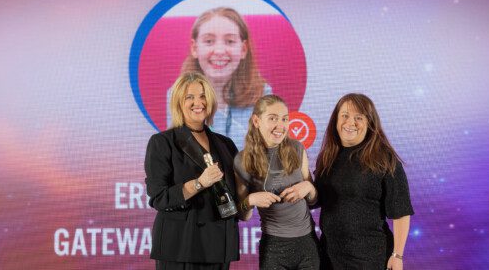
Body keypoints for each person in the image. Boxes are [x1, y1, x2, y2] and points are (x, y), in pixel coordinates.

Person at [145, 72, 239, 270]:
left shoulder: (226, 144)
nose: (199, 102)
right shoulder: (162, 142)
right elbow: (159, 197)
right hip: (181, 245)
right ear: (179, 102)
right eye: (190, 97)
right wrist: (199, 183)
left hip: (219, 245)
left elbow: (236, 193)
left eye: (203, 96)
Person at [314, 93, 414, 270]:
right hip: (329, 256)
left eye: (358, 117)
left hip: (370, 258)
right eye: (344, 116)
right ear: (335, 121)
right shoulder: (327, 157)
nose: (350, 123)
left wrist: (397, 255)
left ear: (369, 123)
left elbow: (401, 212)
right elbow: (317, 200)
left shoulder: (385, 160)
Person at [233, 94, 320, 269]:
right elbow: (242, 214)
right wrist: (250, 201)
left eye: (284, 119)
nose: (280, 126)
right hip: (273, 246)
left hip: (307, 243)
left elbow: (313, 201)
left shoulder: (297, 148)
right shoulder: (242, 160)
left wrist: (309, 187)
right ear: (256, 121)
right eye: (273, 118)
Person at [167, 7, 272, 150]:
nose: (219, 51)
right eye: (209, 41)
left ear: (243, 49)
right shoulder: (177, 94)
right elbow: (178, 154)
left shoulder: (263, 94)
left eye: (230, 41)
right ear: (194, 48)